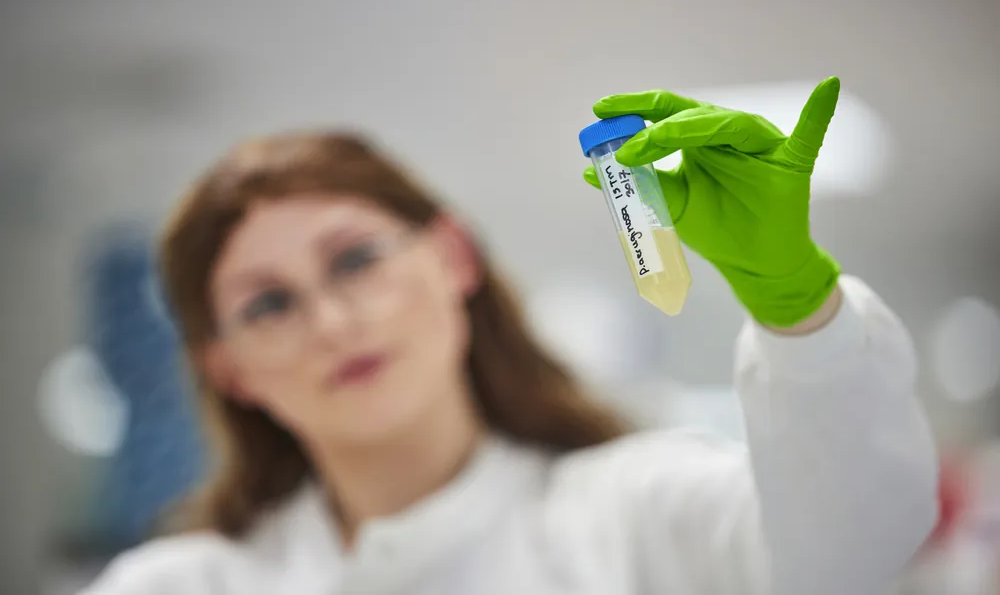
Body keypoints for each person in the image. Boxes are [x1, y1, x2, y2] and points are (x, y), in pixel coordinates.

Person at [80, 77, 938, 595]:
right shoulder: (179, 584)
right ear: (227, 370)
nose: (330, 323)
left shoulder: (636, 511)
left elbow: (855, 545)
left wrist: (795, 304)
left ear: (454, 258)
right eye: (267, 306)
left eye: (354, 262)